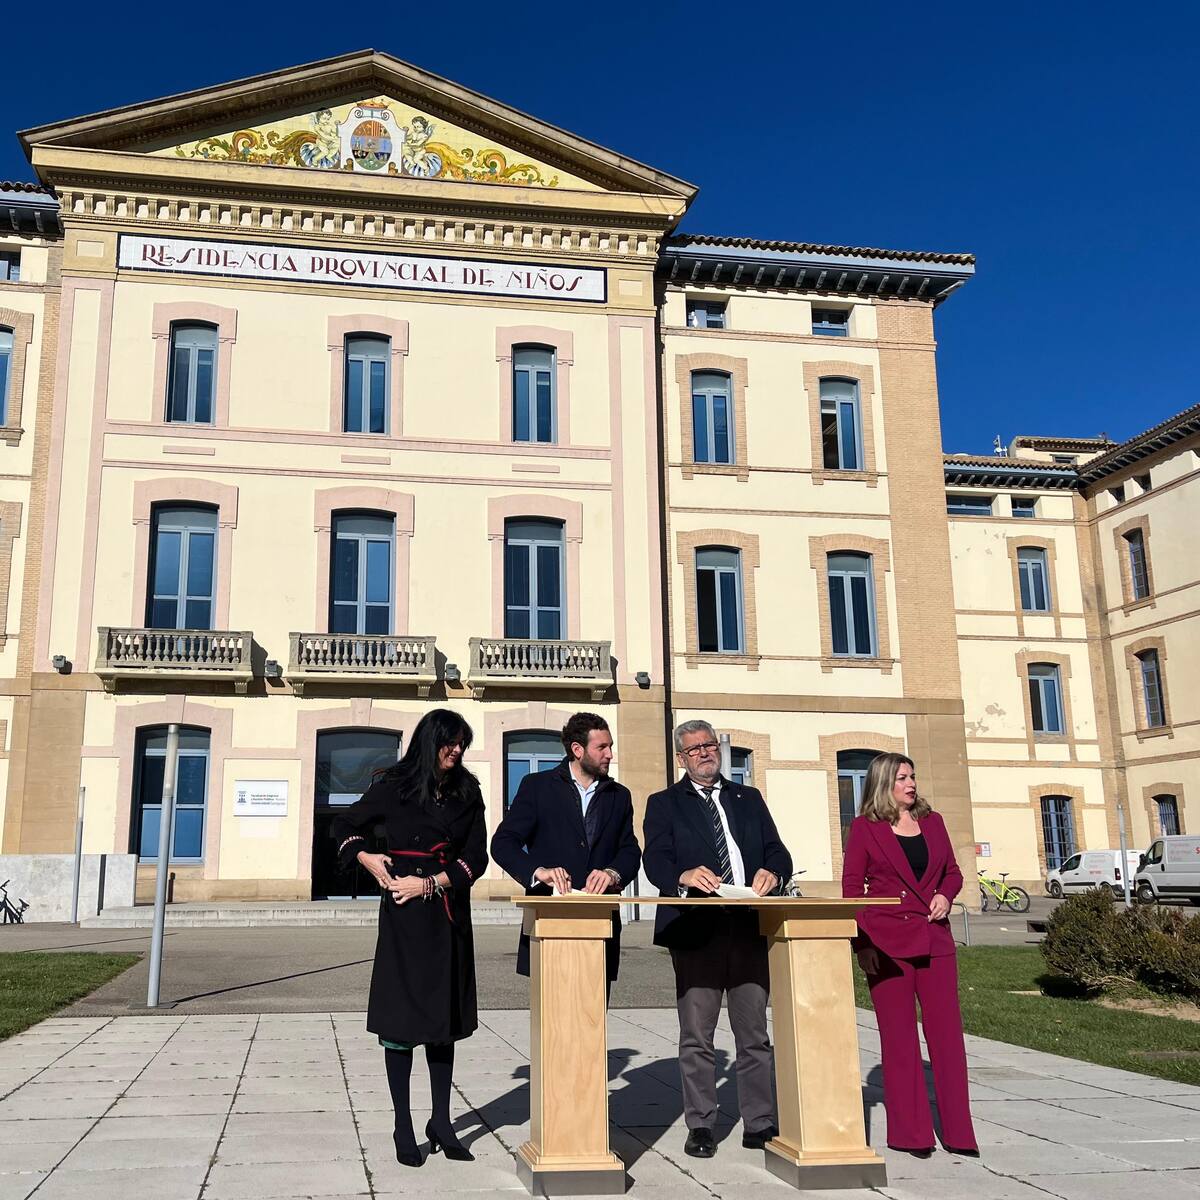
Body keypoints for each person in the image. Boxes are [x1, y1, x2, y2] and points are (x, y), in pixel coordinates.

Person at [332, 709, 488, 1169]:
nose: (457, 750)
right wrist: (366, 856)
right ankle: (402, 1122)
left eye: (463, 743)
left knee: (444, 1026)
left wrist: (435, 883)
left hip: (447, 915)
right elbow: (346, 825)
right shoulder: (393, 784)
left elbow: (476, 856)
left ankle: (441, 1121)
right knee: (400, 1026)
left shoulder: (468, 791)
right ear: (429, 741)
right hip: (403, 918)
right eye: (450, 742)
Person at [643, 719, 792, 1158]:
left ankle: (760, 1122)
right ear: (681, 758)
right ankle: (702, 1124)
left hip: (747, 926)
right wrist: (682, 876)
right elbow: (655, 858)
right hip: (696, 930)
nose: (706, 753)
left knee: (753, 1035)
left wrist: (774, 871)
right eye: (695, 749)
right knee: (697, 1035)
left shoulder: (749, 798)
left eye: (710, 745)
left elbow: (776, 850)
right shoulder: (664, 803)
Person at [841, 752, 978, 1158]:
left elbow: (953, 872)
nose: (911, 784)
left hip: (935, 940)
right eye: (902, 778)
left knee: (948, 1040)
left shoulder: (933, 823)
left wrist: (945, 895)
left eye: (913, 776)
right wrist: (862, 944)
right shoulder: (865, 829)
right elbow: (853, 891)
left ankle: (958, 1133)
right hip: (886, 945)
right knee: (899, 1041)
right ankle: (910, 1133)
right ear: (885, 783)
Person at [490, 712, 641, 995]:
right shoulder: (536, 787)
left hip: (600, 924)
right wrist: (538, 872)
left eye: (610, 746)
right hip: (549, 921)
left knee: (593, 1023)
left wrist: (612, 872)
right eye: (602, 748)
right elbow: (503, 843)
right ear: (577, 749)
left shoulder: (619, 795)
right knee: (552, 1028)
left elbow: (630, 850)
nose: (610, 754)